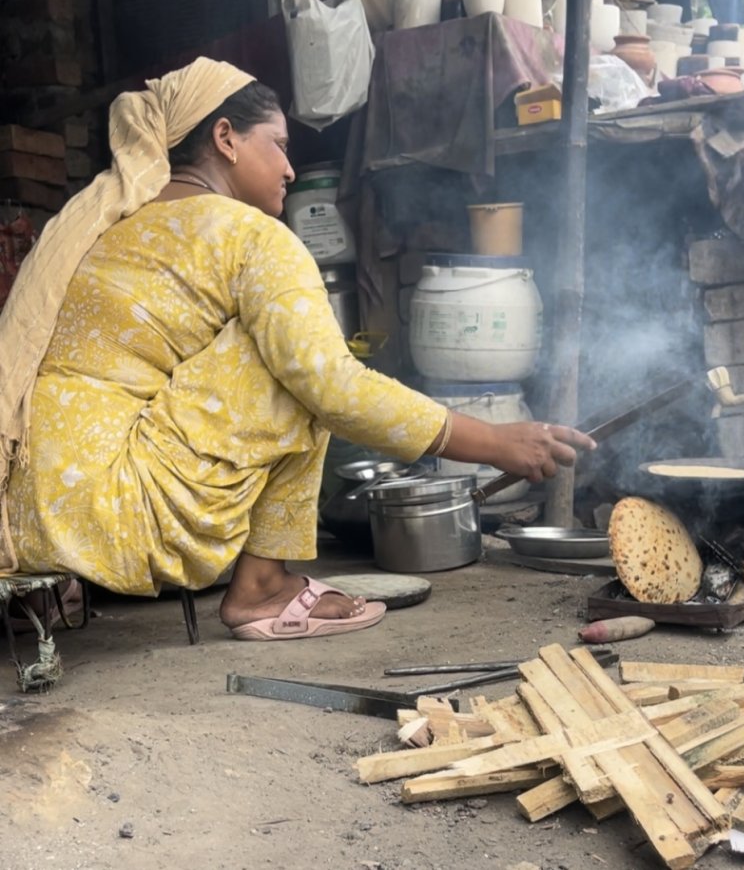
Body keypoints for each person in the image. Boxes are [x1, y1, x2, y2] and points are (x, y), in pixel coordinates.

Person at [0, 57, 595, 642]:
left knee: (293, 351)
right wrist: (494, 442)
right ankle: (262, 586)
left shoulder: (108, 229)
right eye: (279, 145)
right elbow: (331, 385)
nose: (290, 169)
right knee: (306, 367)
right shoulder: (252, 236)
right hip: (118, 513)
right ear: (225, 139)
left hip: (30, 518)